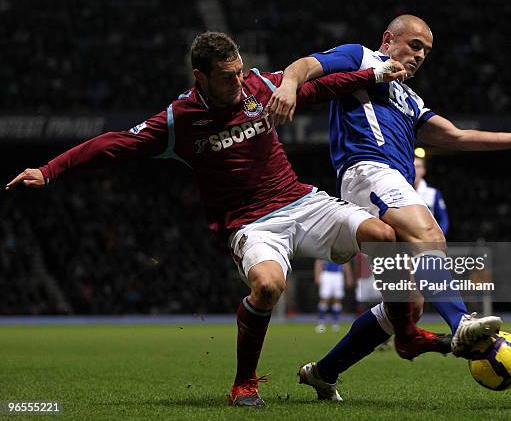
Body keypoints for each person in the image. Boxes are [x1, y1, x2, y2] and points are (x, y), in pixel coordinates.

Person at [5, 31, 414, 408]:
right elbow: (115, 144)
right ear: (200, 76)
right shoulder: (178, 120)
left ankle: (405, 333)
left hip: (301, 201)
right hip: (251, 224)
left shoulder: (258, 86)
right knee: (269, 287)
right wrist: (50, 170)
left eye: (239, 72)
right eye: (226, 77)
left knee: (383, 233)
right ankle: (244, 382)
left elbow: (318, 86)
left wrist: (374, 73)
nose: (237, 83)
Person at [267, 14, 511, 400]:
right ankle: (460, 322)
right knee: (430, 234)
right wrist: (289, 85)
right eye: (415, 45)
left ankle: (323, 372)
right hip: (368, 170)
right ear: (388, 40)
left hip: (390, 182)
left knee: (404, 308)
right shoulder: (362, 59)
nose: (421, 55)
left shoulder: (410, 97)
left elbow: (455, 135)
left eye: (427, 50)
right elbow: (308, 65)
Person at [314, 259, 353, 333]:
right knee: (324, 298)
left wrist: (348, 276)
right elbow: (319, 261)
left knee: (337, 299)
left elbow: (346, 262)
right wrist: (317, 275)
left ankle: (335, 323)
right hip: (326, 274)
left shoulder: (342, 250)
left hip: (338, 275)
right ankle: (321, 323)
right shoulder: (325, 247)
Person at [414, 155, 449, 236]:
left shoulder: (433, 193)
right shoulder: (399, 191)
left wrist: (438, 237)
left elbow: (443, 218)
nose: (415, 170)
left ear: (423, 170)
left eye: (418, 167)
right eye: (412, 166)